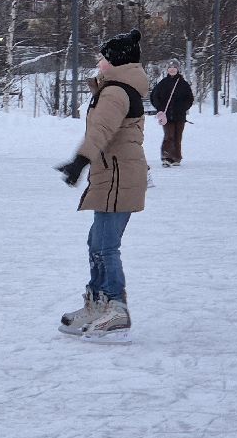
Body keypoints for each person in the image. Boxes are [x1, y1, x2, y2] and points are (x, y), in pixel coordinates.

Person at [55, 29, 149, 343]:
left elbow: (101, 130)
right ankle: (98, 303)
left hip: (118, 177)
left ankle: (116, 308)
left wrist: (79, 161)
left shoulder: (116, 92)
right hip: (112, 176)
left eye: (103, 56)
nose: (98, 60)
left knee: (106, 245)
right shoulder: (116, 88)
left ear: (116, 60)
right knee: (96, 242)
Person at [149, 59, 193, 167]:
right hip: (166, 116)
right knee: (169, 136)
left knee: (178, 136)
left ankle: (176, 157)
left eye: (174, 67)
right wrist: (160, 108)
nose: (172, 69)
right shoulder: (163, 83)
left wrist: (183, 107)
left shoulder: (183, 84)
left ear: (178, 69)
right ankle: (166, 157)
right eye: (170, 68)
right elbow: (154, 96)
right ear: (167, 70)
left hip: (179, 115)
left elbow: (190, 98)